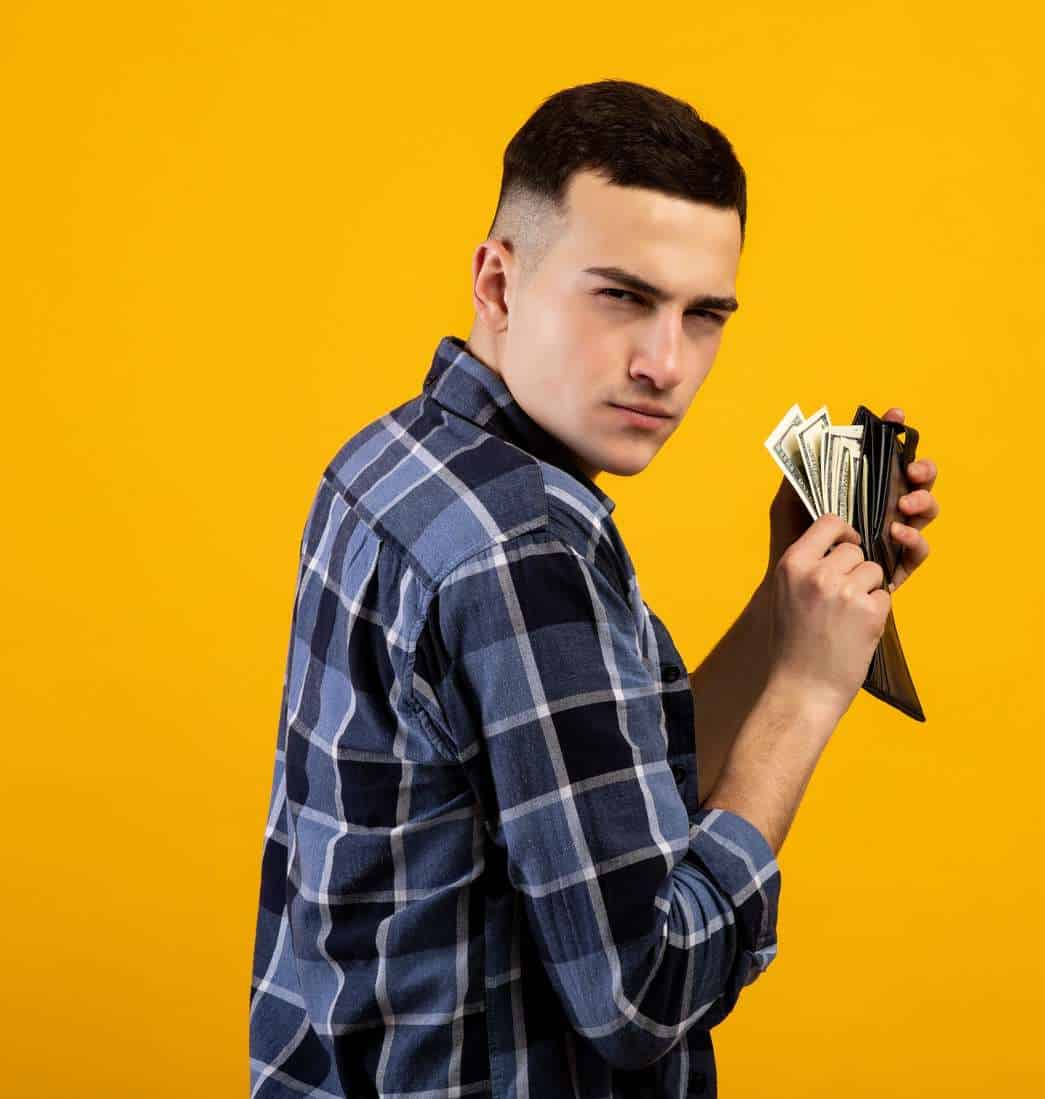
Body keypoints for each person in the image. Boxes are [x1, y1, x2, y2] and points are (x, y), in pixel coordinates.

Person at [249, 78, 942, 1099]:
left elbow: (612, 812)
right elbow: (644, 990)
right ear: (498, 283)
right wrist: (805, 691)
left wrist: (782, 601)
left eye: (705, 315)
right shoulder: (523, 549)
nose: (665, 363)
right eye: (623, 297)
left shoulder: (389, 461)